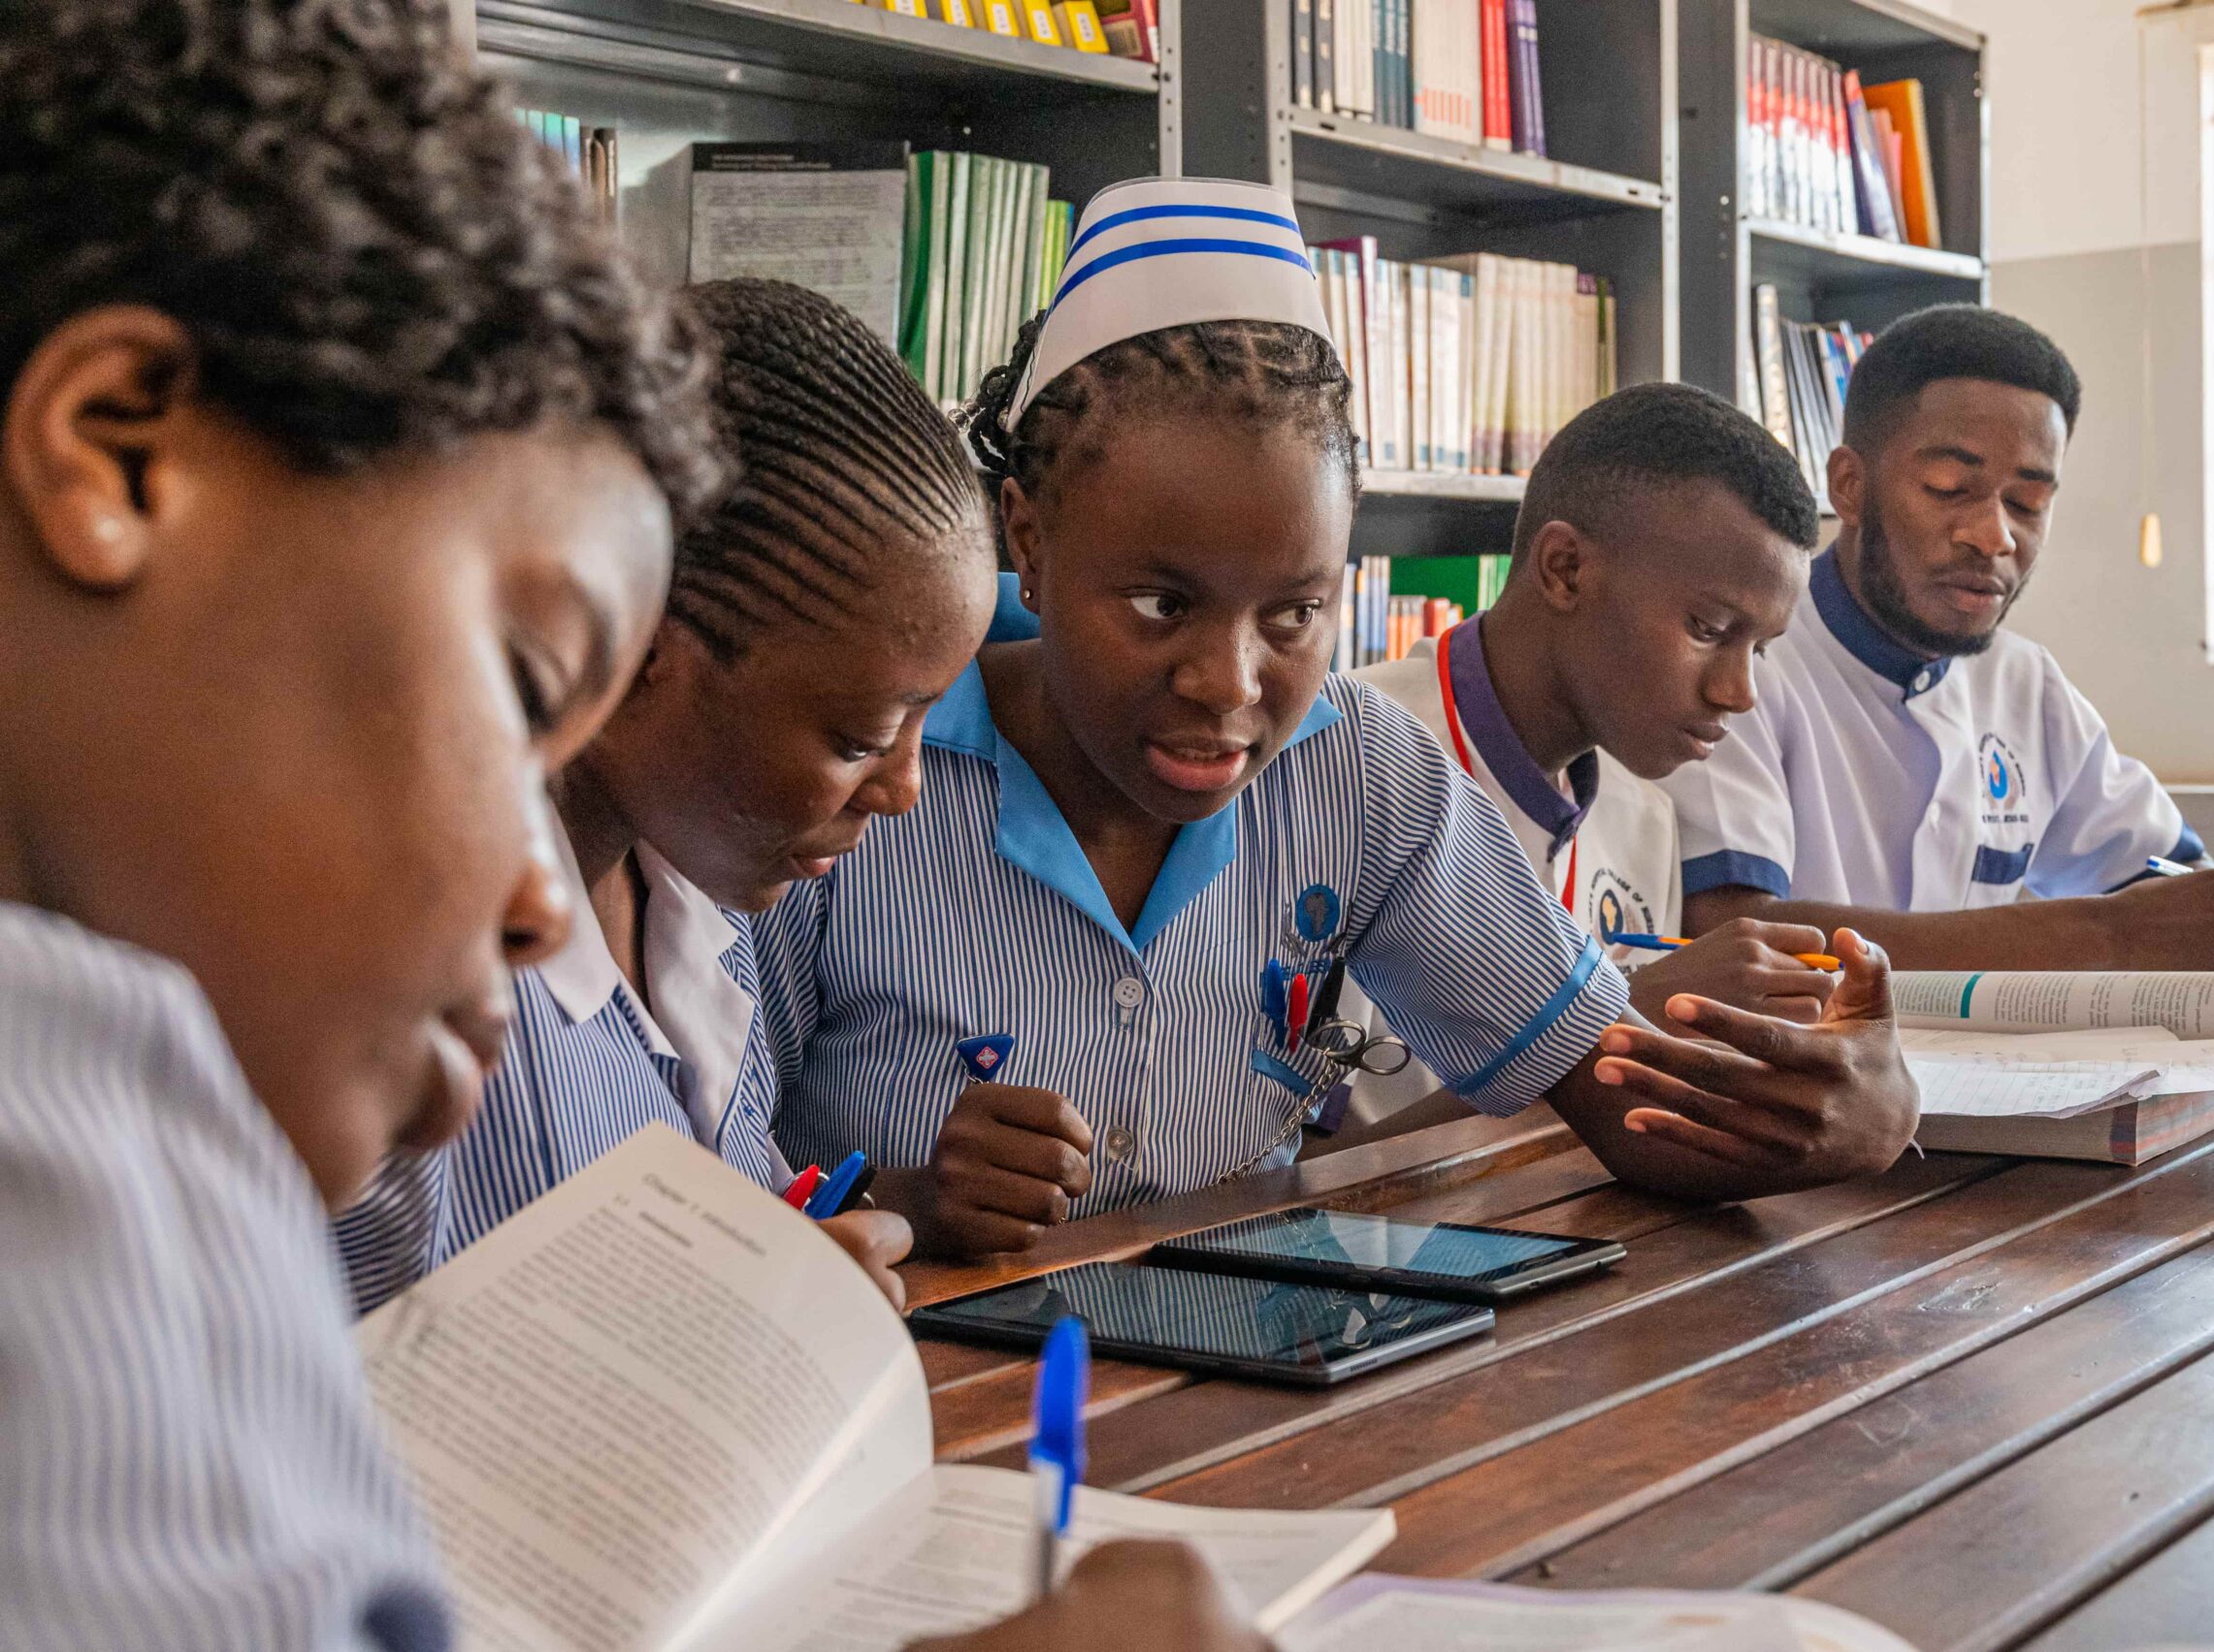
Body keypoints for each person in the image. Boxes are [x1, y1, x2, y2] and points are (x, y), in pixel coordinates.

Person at [0, 10, 1302, 1650]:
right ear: (117, 450)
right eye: (524, 683)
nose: (546, 901)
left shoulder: (148, 1133)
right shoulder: (49, 1122)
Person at [763, 178, 1919, 1260]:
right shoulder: (853, 776)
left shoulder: (1361, 770)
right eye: (1162, 604)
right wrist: (899, 1200)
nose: (1228, 683)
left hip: (1247, 1375)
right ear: (1027, 535)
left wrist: (1859, 1113)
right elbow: (687, 1183)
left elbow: (1611, 1093)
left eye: (1294, 612)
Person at [335, 278, 993, 1317]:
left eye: (923, 722)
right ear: (632, 645)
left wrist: (795, 1266)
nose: (906, 787)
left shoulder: (705, 913)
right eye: (860, 736)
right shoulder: (414, 982)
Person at [1661, 305, 2214, 971]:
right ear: (1849, 486)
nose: (1994, 536)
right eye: (1949, 487)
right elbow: (1731, 928)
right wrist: (2103, 935)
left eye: (2027, 504)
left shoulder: (2025, 684)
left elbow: (2166, 883)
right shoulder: (1740, 663)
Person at [1331, 382, 1917, 1147]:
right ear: (1566, 568)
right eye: (1708, 628)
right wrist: (1627, 1009)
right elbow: (1292, 1171)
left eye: (1762, 650)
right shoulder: (1352, 767)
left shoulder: (1644, 814)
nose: (1739, 693)